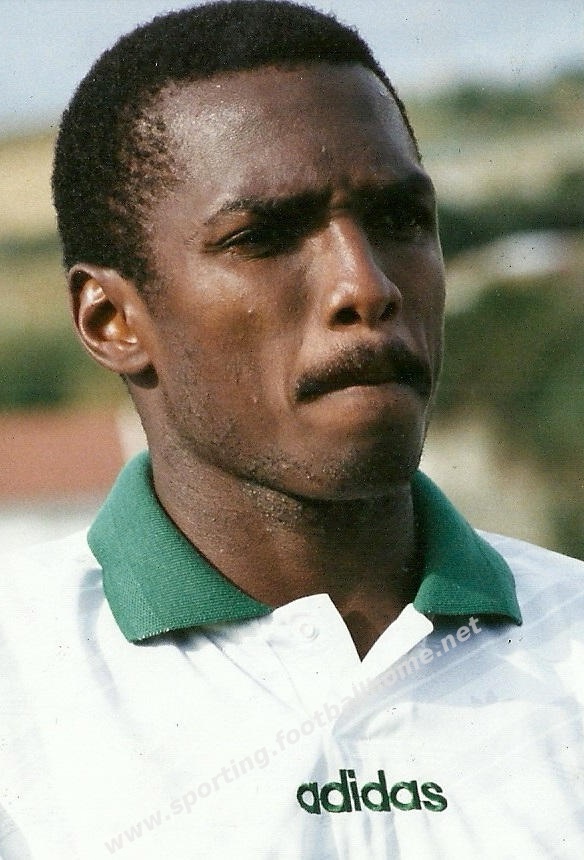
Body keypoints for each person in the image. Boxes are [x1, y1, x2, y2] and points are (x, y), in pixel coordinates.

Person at [1, 1, 583, 857]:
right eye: (263, 237)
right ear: (111, 319)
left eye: (400, 221)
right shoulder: (21, 688)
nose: (366, 285)